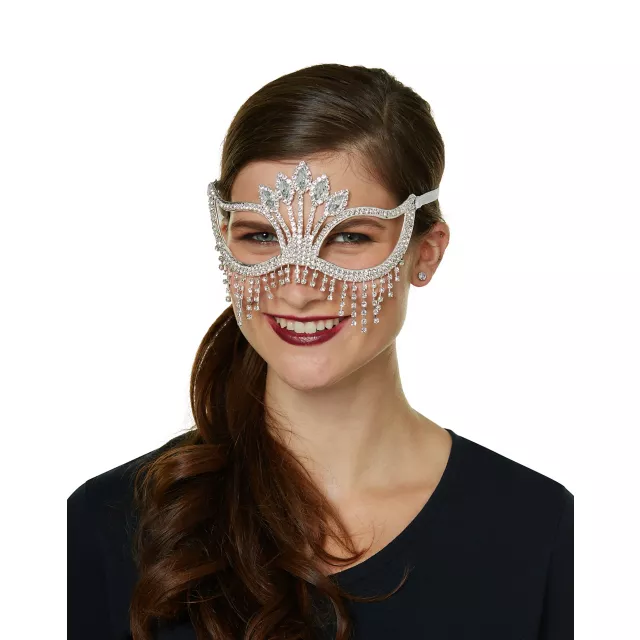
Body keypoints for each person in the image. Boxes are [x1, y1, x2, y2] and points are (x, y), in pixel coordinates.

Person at [68, 63, 574, 640]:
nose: (298, 289)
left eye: (349, 237)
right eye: (262, 236)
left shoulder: (540, 531)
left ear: (426, 252)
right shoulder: (109, 525)